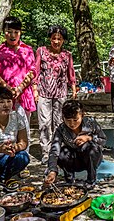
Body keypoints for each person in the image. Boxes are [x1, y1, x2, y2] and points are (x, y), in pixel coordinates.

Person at [0, 16, 36, 178]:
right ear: (4, 32)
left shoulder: (27, 49)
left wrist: (20, 88)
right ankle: (2, 163)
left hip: (24, 97)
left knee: (24, 130)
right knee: (3, 130)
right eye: (9, 31)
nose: (12, 35)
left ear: (20, 32)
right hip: (3, 97)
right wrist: (9, 89)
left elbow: (32, 71)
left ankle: (22, 164)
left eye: (16, 31)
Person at [35, 25, 77, 164]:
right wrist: (34, 89)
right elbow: (35, 70)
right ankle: (46, 152)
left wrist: (74, 88)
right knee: (44, 123)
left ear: (63, 40)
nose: (56, 41)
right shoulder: (41, 51)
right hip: (44, 92)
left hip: (61, 93)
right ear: (50, 39)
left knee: (59, 122)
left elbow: (71, 72)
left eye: (59, 39)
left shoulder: (67, 55)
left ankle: (58, 150)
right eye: (54, 38)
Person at [44, 100, 107, 190]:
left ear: (82, 115)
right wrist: (52, 171)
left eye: (75, 120)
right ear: (63, 118)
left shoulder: (91, 123)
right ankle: (69, 181)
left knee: (89, 148)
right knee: (62, 153)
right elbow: (54, 150)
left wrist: (89, 138)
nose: (72, 124)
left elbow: (103, 139)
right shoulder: (61, 129)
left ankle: (91, 180)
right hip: (74, 161)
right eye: (68, 120)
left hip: (92, 159)